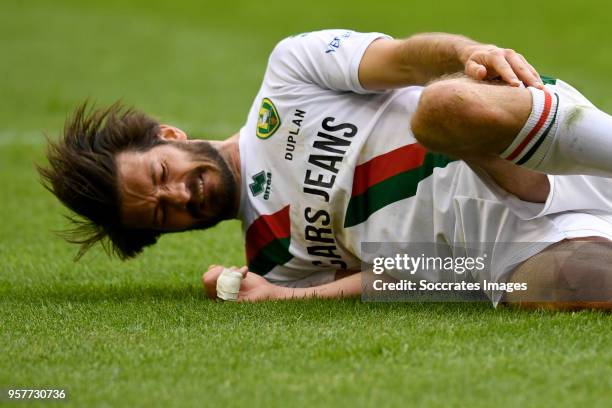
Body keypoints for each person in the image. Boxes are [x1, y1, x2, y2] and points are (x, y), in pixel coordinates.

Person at [39, 29, 612, 309]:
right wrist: (278, 299)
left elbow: (409, 57)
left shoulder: (288, 75)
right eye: (163, 214)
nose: (179, 196)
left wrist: (466, 54)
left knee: (440, 108)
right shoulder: (272, 262)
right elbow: (404, 278)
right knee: (566, 285)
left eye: (161, 174)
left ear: (169, 135)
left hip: (519, 143)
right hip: (503, 248)